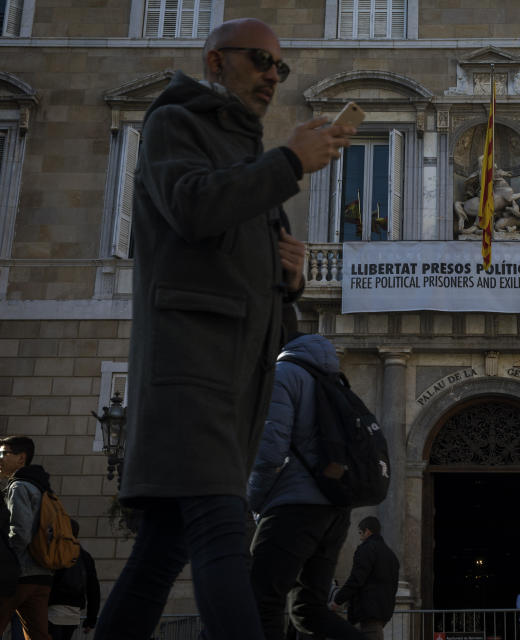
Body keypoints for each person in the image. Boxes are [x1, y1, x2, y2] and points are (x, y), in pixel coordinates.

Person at [94, 16, 356, 640]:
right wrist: (289, 159)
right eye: (260, 61)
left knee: (160, 552)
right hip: (192, 368)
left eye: (280, 67)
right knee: (220, 531)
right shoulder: (173, 121)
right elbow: (192, 208)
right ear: (215, 62)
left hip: (232, 377)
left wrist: (287, 277)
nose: (272, 76)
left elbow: (231, 260)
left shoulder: (246, 155)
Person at [247, 333, 366, 640]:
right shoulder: (334, 380)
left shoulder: (284, 373)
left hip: (293, 506)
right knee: (308, 610)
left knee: (259, 600)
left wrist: (253, 501)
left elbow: (270, 451)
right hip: (335, 510)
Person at [0, 436, 54, 640]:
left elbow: (20, 532)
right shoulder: (42, 487)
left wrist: (7, 560)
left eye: (4, 453)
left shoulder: (18, 486)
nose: (0, 458)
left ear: (21, 458)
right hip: (42, 575)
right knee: (38, 635)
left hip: (19, 574)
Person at [330, 517, 400, 640]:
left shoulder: (366, 549)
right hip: (381, 615)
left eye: (360, 533)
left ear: (367, 531)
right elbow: (393, 587)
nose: (360, 537)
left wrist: (337, 600)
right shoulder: (391, 556)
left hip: (367, 615)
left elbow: (356, 579)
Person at [47, 520, 100, 640]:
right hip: (73, 615)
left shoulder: (55, 552)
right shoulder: (85, 557)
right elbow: (94, 590)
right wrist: (91, 620)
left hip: (52, 611)